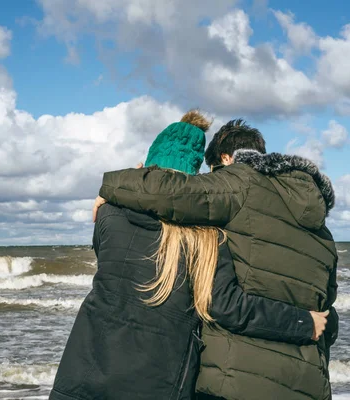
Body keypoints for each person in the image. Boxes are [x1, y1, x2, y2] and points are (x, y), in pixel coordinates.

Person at [50, 112, 330, 400]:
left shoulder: (108, 215)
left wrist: (124, 185)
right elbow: (227, 305)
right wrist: (302, 322)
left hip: (84, 374)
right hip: (162, 382)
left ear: (148, 170)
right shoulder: (209, 238)